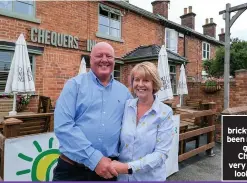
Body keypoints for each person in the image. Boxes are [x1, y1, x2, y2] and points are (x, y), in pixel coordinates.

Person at [53, 42, 132, 181]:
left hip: (108, 172)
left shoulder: (124, 92)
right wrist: (94, 159)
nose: (104, 59)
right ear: (90, 59)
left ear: (114, 60)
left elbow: (136, 122)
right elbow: (63, 127)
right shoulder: (74, 86)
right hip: (73, 171)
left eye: (109, 56)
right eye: (99, 55)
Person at [110, 62, 174, 181]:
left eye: (146, 80)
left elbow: (161, 154)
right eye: (137, 79)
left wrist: (127, 168)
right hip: (123, 179)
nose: (140, 84)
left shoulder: (165, 113)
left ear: (154, 83)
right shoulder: (126, 106)